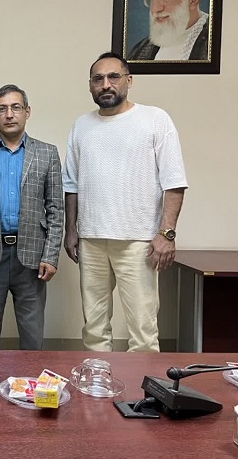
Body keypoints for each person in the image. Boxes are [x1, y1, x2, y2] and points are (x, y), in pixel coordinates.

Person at [63, 52, 188, 352]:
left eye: (113, 77)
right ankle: (97, 380)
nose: (105, 84)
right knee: (94, 328)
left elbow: (174, 182)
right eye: (98, 79)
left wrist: (166, 234)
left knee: (143, 330)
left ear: (129, 81)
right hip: (92, 240)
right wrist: (71, 230)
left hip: (139, 242)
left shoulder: (155, 119)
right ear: (90, 86)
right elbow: (71, 184)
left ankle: (141, 384)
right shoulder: (82, 125)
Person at [0, 85, 63, 350]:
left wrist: (51, 256)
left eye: (16, 107)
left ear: (27, 111)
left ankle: (31, 380)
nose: (9, 114)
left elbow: (56, 210)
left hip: (32, 257)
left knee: (32, 338)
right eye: (2, 109)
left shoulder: (47, 153)